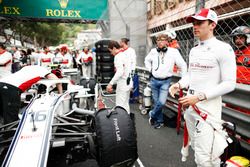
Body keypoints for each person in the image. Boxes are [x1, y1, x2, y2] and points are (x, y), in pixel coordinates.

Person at [169, 8, 236, 167]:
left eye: (199, 23)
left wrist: (199, 97)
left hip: (207, 110)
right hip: (190, 107)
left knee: (204, 156)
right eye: (193, 23)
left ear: (212, 24)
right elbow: (192, 75)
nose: (195, 26)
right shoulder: (194, 50)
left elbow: (229, 83)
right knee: (198, 149)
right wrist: (179, 84)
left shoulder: (223, 48)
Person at [144, 33, 187, 129]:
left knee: (162, 102)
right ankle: (160, 121)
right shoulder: (153, 51)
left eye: (162, 40)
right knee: (156, 102)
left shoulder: (174, 52)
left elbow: (183, 65)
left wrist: (184, 80)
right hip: (154, 81)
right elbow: (146, 60)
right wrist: (150, 69)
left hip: (165, 82)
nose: (160, 42)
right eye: (158, 40)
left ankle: (152, 114)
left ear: (167, 42)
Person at [106, 40, 132, 113]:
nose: (111, 53)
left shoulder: (118, 56)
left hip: (123, 82)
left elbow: (120, 72)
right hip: (128, 82)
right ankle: (127, 122)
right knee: (125, 104)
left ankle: (122, 123)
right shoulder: (125, 55)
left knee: (120, 106)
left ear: (114, 48)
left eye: (111, 51)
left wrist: (110, 83)